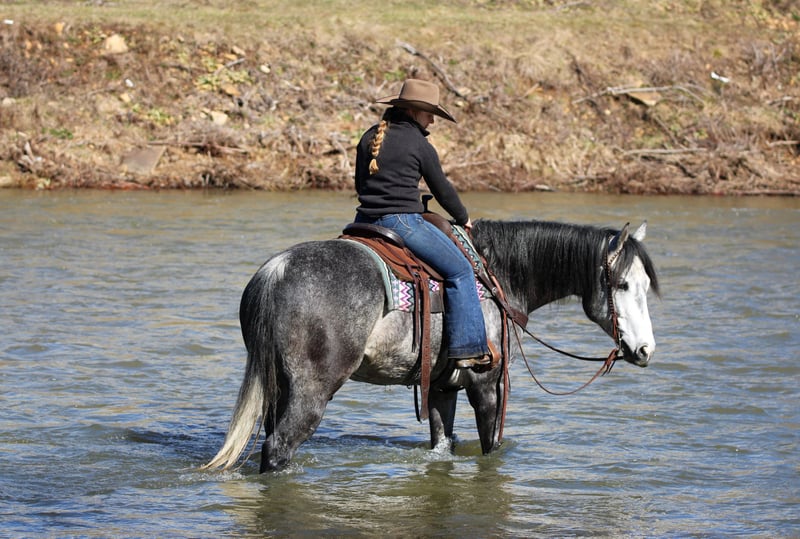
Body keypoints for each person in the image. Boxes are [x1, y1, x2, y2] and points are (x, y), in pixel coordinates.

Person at [353, 78, 491, 369]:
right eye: (430, 113)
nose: (433, 120)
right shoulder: (419, 144)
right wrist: (463, 218)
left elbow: (359, 184)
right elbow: (442, 190)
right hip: (402, 223)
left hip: (362, 222)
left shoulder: (369, 137)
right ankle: (468, 349)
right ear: (413, 111)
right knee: (461, 271)